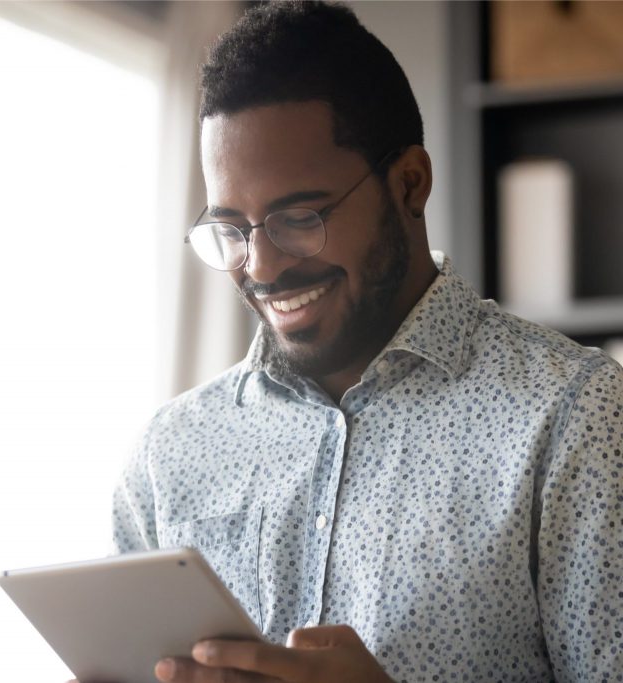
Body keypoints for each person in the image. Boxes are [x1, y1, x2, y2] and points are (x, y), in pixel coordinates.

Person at [109, 2, 623, 682]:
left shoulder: (576, 418)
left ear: (410, 183)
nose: (261, 267)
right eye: (232, 229)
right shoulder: (164, 457)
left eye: (299, 217)